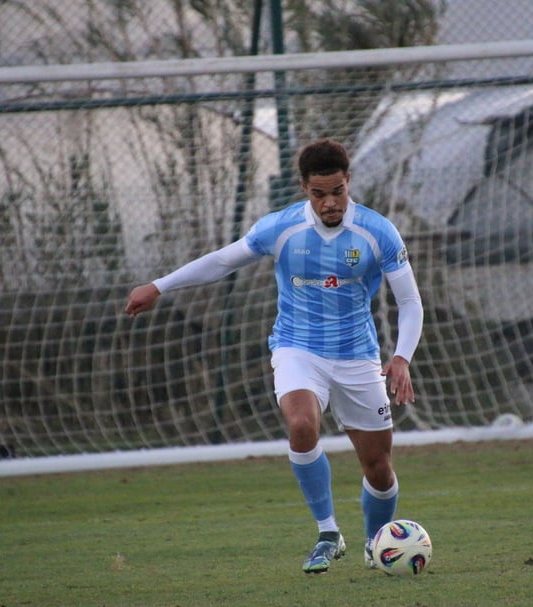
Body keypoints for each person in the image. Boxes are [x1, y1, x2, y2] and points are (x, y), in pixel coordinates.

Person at [125, 139, 424, 572]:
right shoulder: (280, 228)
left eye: (337, 191)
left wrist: (401, 357)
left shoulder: (378, 232)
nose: (329, 203)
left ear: (348, 183)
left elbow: (410, 302)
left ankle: (376, 544)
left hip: (358, 356)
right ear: (304, 188)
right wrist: (159, 286)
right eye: (319, 194)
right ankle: (327, 533)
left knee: (378, 467)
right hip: (297, 348)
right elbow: (223, 261)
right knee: (302, 424)